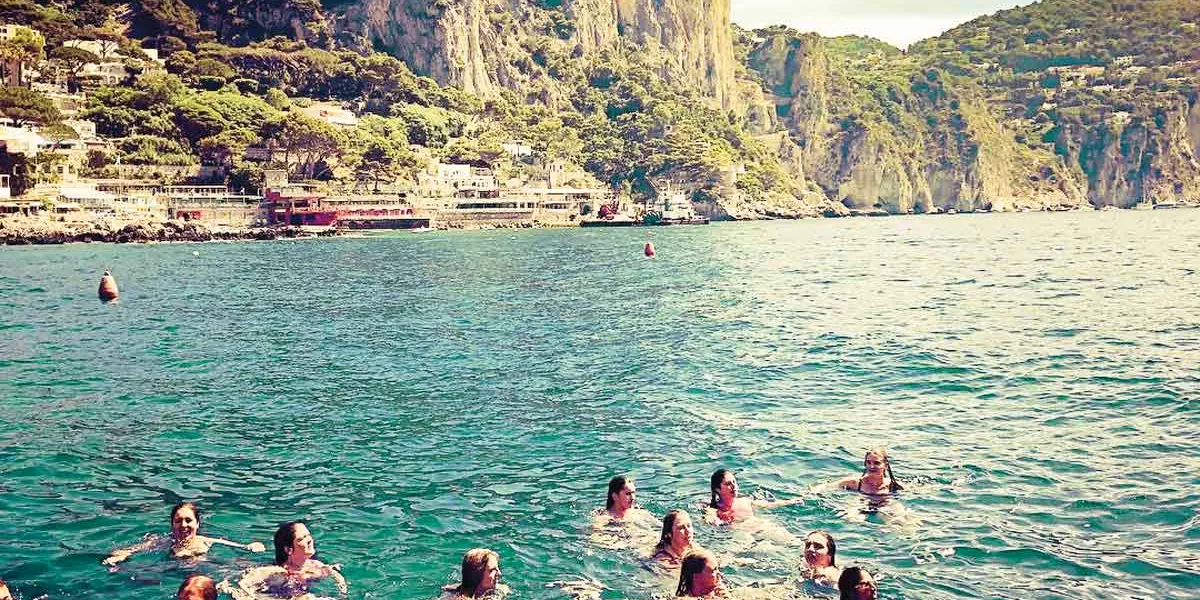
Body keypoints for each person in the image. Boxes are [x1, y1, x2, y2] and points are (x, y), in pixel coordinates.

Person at [103, 502, 266, 565]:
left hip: (201, 570)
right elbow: (131, 549)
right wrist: (120, 555)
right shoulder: (163, 542)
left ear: (197, 523)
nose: (183, 525)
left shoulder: (206, 541)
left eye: (188, 520)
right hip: (170, 573)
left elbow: (240, 546)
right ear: (172, 524)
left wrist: (252, 546)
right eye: (178, 521)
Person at [227, 521, 347, 598]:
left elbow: (335, 576)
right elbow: (243, 584)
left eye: (308, 535)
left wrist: (341, 587)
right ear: (288, 550)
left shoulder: (316, 565)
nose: (309, 540)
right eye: (302, 539)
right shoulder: (276, 571)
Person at [705, 469, 801, 524]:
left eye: (734, 482)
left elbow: (768, 505)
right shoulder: (715, 509)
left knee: (794, 542)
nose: (734, 486)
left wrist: (789, 502)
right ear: (717, 489)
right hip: (740, 534)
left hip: (760, 526)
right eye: (728, 484)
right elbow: (710, 518)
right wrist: (712, 520)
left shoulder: (745, 501)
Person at [838, 449, 903, 498]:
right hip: (862, 502)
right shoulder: (855, 483)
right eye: (868, 462)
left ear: (885, 465)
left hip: (886, 503)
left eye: (877, 463)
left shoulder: (893, 485)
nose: (871, 466)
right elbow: (829, 487)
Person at [442, 548, 507, 598]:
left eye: (497, 569)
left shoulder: (500, 589)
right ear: (477, 575)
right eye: (492, 570)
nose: (499, 573)